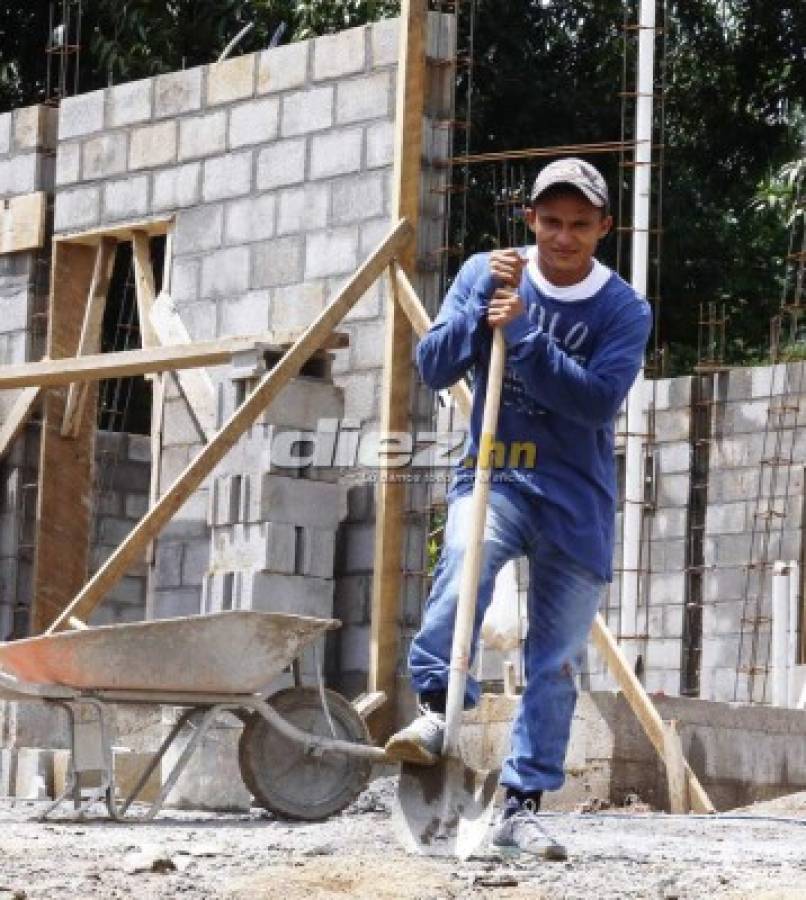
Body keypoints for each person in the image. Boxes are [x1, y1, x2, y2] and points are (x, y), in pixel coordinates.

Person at [385, 157, 652, 857]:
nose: (563, 237)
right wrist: (481, 307)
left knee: (555, 661)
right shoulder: (489, 272)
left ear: (603, 227)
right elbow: (434, 366)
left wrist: (528, 336)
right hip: (498, 472)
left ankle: (520, 806)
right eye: (550, 222)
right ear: (530, 219)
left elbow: (595, 402)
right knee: (463, 568)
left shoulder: (624, 309)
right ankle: (439, 711)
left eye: (579, 225)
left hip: (576, 499)